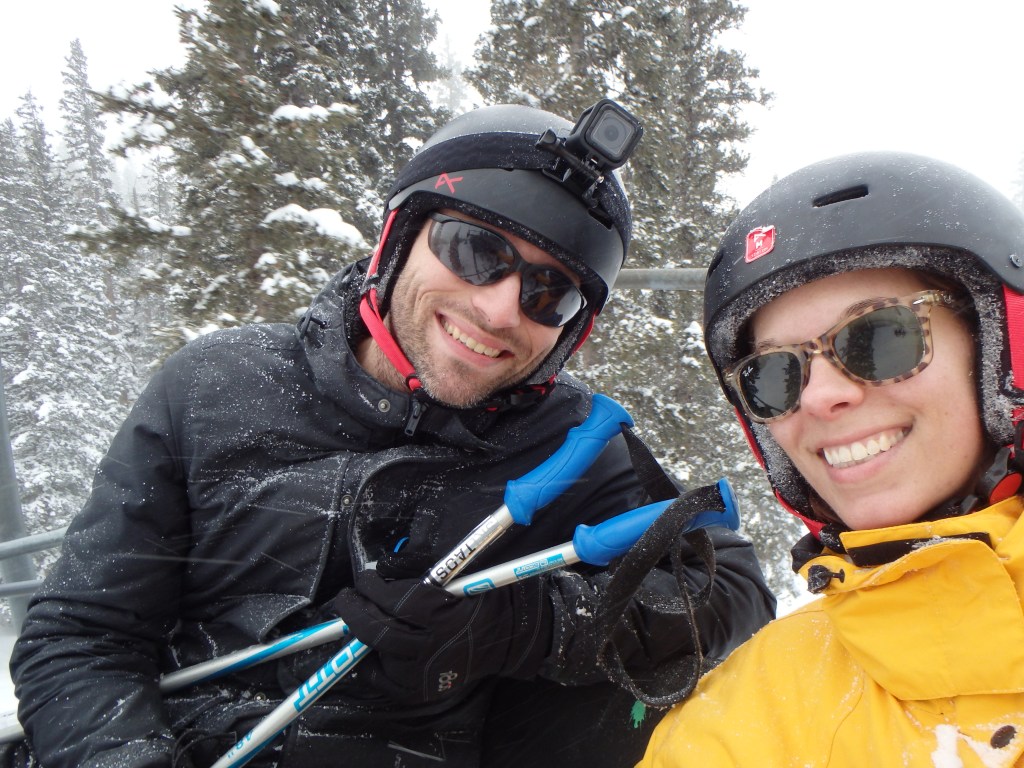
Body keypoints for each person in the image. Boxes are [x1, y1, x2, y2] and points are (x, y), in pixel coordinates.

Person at [4, 101, 774, 768]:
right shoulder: (215, 388)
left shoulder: (570, 445)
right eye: (477, 251)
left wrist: (517, 626)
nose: (502, 309)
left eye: (551, 293)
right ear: (399, 238)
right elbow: (81, 635)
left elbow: (730, 587)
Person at [637, 150, 1024, 767]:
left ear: (998, 354)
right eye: (773, 374)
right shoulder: (748, 715)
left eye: (879, 336)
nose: (819, 396)